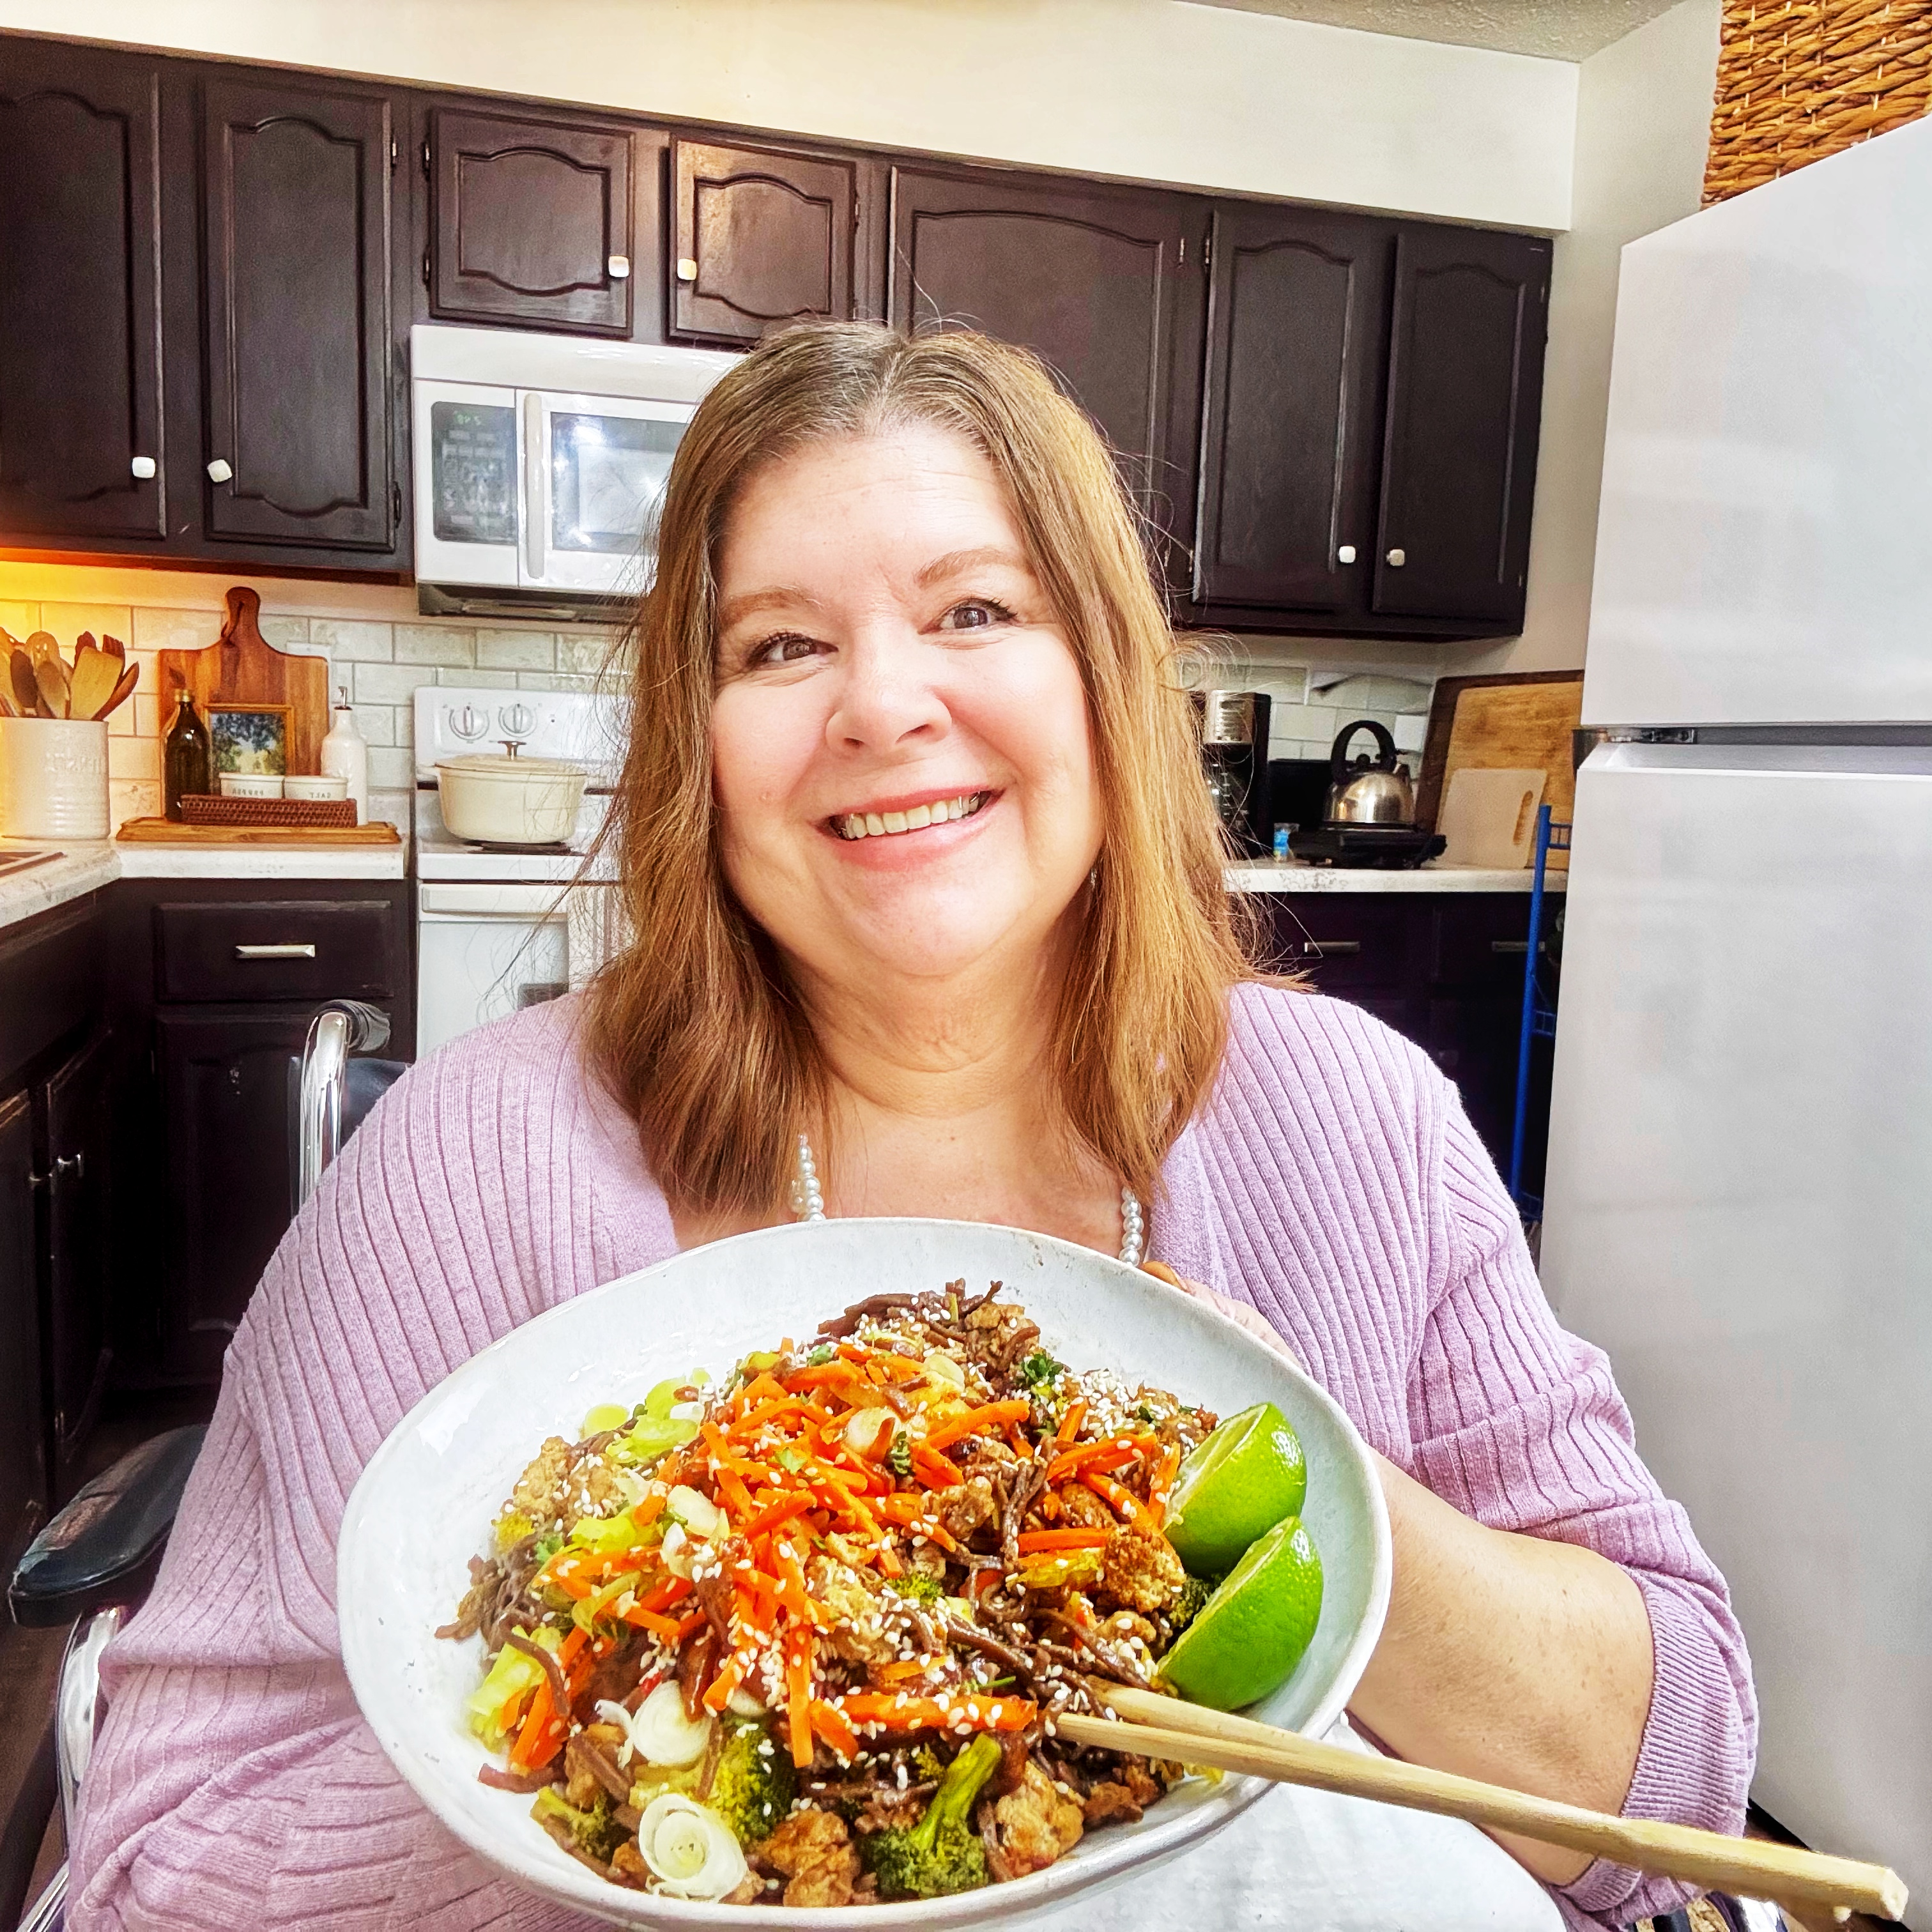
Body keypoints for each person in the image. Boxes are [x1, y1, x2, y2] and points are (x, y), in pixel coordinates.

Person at [69, 324, 1753, 1932]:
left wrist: (1298, 1471)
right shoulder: (464, 1164)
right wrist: (685, 1778)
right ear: (696, 746)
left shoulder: (1359, 1125)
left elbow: (1674, 1791)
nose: (881, 705)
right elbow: (159, 1858)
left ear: (1102, 678)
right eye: (782, 645)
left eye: (975, 609)